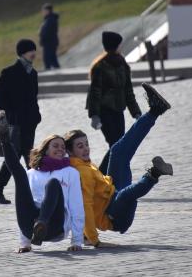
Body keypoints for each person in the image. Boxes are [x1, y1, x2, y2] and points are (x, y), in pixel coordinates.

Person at [65, 83, 172, 247]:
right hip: (115, 217)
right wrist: (95, 241)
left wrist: (82, 236)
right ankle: (154, 173)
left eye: (86, 144)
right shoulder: (79, 174)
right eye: (80, 146)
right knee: (124, 195)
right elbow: (83, 208)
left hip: (112, 191)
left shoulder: (83, 164)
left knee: (117, 152)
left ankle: (155, 110)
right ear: (70, 152)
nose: (86, 148)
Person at [0, 110, 84, 253]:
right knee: (20, 175)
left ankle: (42, 222)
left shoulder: (71, 173)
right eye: (55, 146)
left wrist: (77, 241)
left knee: (53, 183)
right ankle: (5, 139)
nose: (60, 149)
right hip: (31, 226)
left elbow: (76, 206)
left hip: (55, 225)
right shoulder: (32, 173)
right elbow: (23, 204)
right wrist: (25, 244)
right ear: (45, 150)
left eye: (63, 147)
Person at [0, 39, 41, 204]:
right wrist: (10, 114)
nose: (33, 53)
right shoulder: (9, 72)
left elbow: (34, 97)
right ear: (22, 53)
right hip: (16, 123)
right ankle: (33, 192)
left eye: (34, 50)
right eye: (29, 50)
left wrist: (36, 115)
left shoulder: (33, 73)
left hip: (29, 122)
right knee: (22, 156)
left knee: (22, 156)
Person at [86, 31, 142, 175]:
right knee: (115, 145)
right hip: (105, 112)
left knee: (119, 145)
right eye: (119, 44)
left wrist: (136, 112)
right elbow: (94, 92)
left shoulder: (123, 64)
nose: (121, 47)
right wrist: (94, 115)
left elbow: (128, 91)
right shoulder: (99, 66)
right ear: (115, 45)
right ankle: (102, 175)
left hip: (118, 111)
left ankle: (107, 176)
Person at [39, 3, 60, 70]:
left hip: (50, 43)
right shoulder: (48, 19)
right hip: (49, 43)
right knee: (52, 60)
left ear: (48, 11)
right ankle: (59, 73)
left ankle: (49, 74)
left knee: (48, 60)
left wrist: (42, 36)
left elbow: (47, 32)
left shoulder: (50, 19)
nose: (42, 12)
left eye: (43, 10)